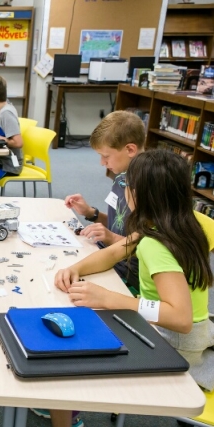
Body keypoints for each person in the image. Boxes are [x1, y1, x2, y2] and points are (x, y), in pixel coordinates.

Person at [51, 150, 214, 427]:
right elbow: (115, 253)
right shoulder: (176, 221)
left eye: (128, 185)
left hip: (173, 340)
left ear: (140, 195)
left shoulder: (156, 244)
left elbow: (180, 318)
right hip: (190, 332)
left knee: (62, 355)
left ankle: (62, 411)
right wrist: (76, 269)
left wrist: (110, 298)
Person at [64, 111, 145, 294]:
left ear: (130, 150)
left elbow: (146, 248)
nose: (102, 163)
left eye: (106, 156)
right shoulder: (122, 178)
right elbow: (120, 224)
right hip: (109, 254)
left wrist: (111, 238)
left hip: (128, 273)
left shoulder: (149, 188)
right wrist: (91, 214)